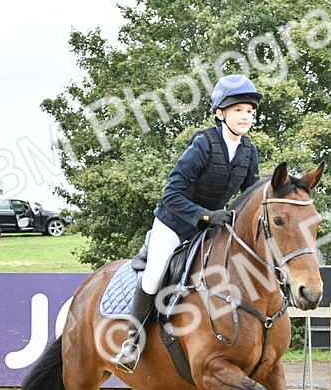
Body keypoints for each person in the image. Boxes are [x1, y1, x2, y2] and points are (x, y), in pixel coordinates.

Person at [111, 74, 263, 372]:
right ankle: (131, 343)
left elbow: (250, 194)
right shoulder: (203, 144)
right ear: (221, 113)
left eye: (249, 111)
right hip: (175, 222)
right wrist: (206, 216)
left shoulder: (249, 151)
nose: (245, 116)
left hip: (212, 228)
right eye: (238, 110)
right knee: (155, 275)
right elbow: (171, 194)